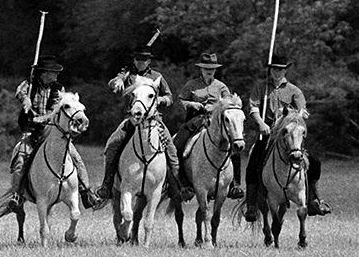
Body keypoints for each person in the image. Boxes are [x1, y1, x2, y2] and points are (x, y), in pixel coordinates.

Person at [95, 45, 192, 202]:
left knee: (171, 149)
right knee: (113, 144)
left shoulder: (157, 76)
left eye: (144, 59)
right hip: (131, 118)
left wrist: (159, 99)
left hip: (155, 119)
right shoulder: (127, 74)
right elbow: (112, 83)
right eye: (138, 59)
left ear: (149, 61)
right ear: (134, 60)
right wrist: (117, 81)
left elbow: (170, 97)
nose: (141, 62)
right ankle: (107, 184)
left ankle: (179, 185)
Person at [7, 55, 101, 212]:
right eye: (53, 72)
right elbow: (19, 92)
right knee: (20, 159)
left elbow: (59, 109)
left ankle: (86, 192)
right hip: (32, 130)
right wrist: (26, 100)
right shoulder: (29, 85)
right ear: (44, 73)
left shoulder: (59, 89)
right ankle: (16, 195)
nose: (57, 75)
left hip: (52, 130)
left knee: (77, 159)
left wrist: (48, 119)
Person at [244, 54, 332, 221]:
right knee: (253, 162)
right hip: (268, 133)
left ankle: (314, 198)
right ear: (270, 70)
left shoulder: (294, 90)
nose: (278, 73)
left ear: (285, 71)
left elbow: (302, 110)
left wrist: (301, 115)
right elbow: (253, 108)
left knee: (314, 162)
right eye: (275, 69)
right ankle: (251, 205)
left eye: (281, 69)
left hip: (289, 136)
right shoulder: (261, 88)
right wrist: (261, 123)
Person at [173, 52, 244, 199]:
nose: (209, 70)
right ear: (201, 69)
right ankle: (182, 183)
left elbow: (229, 105)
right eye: (206, 68)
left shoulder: (221, 86)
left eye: (212, 68)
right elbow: (181, 100)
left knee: (234, 145)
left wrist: (217, 108)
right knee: (178, 145)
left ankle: (235, 184)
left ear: (215, 69)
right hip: (195, 120)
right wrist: (191, 104)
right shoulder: (191, 84)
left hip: (217, 122)